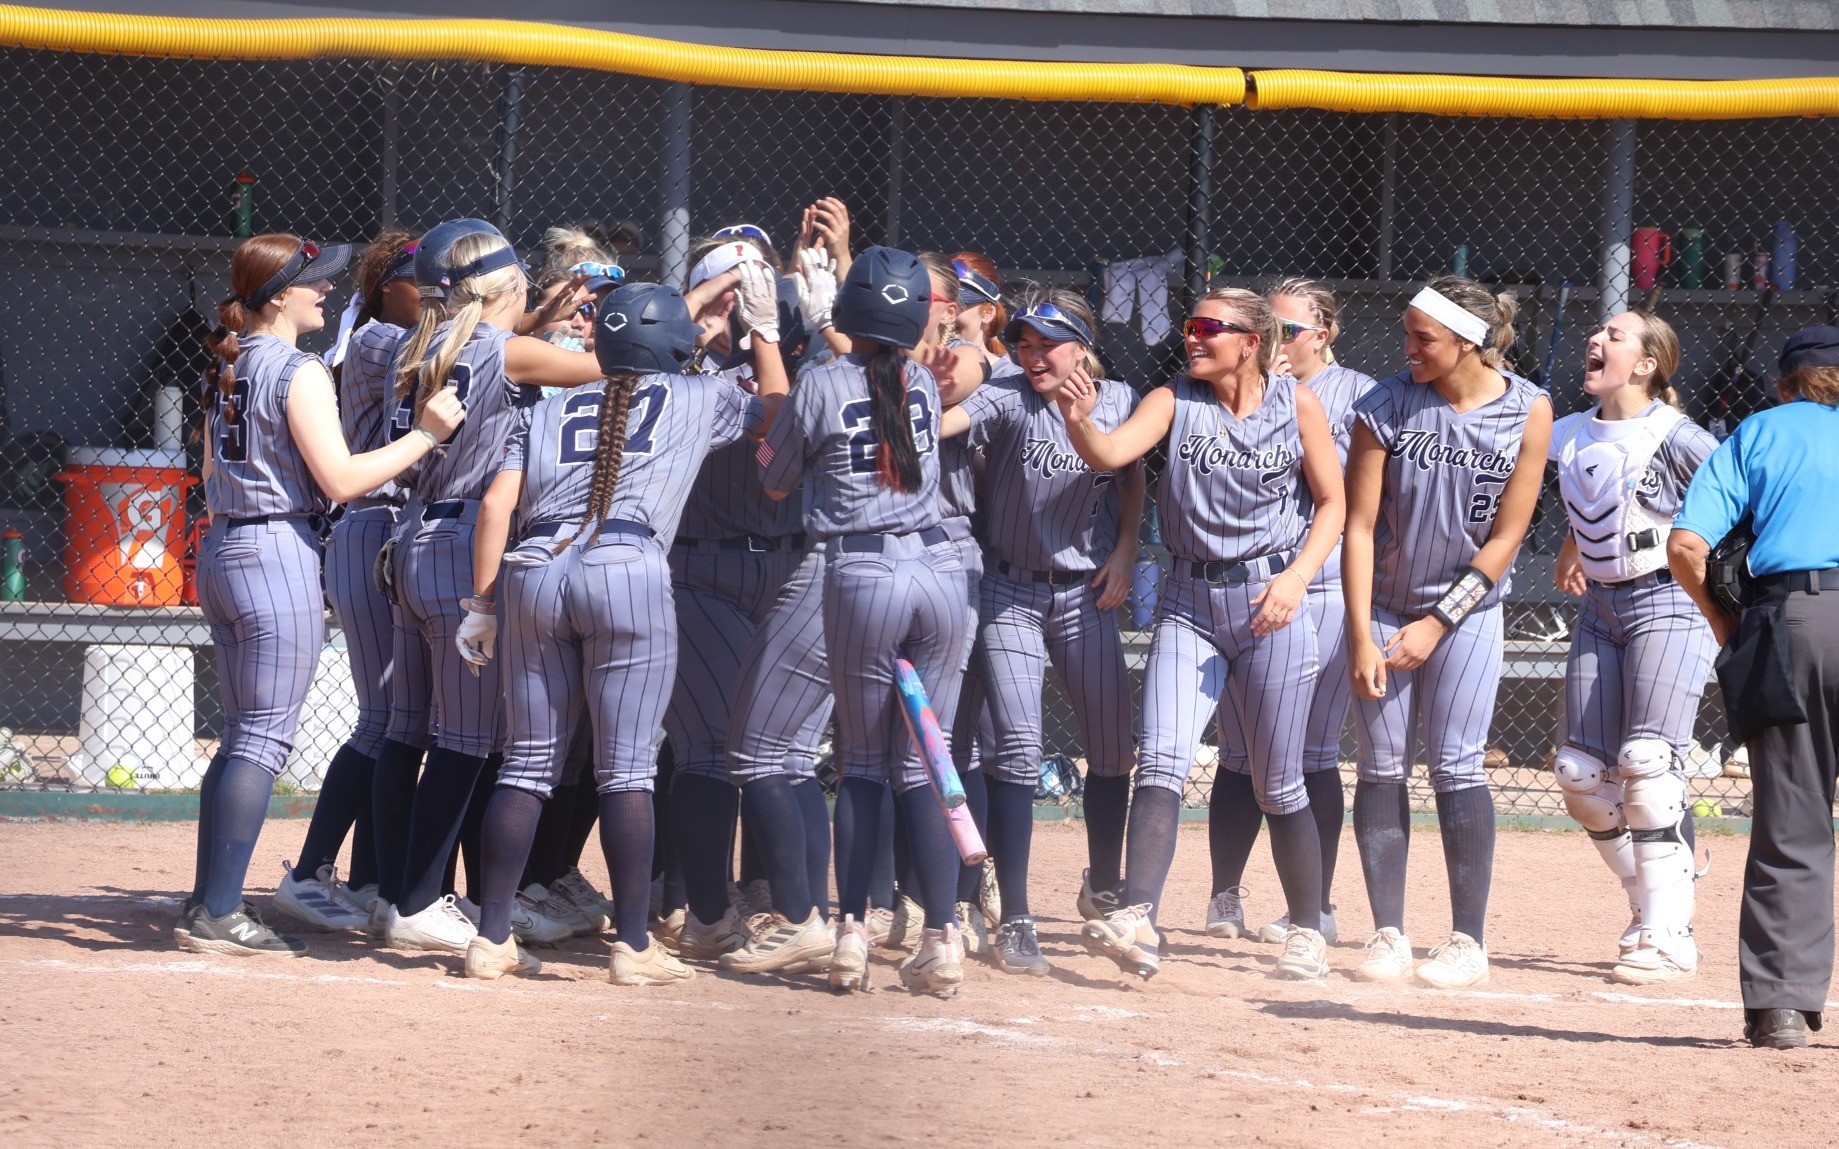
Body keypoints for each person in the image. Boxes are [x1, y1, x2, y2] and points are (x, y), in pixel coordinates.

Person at [456, 278, 788, 983]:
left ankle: (490, 938)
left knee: (526, 765)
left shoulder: (546, 407)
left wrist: (481, 603)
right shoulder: (699, 394)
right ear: (674, 344)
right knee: (627, 770)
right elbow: (778, 416)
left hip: (533, 568)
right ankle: (634, 946)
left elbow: (494, 506)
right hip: (628, 568)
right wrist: (764, 332)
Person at [176, 232, 463, 955]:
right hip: (275, 549)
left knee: (241, 735)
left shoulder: (231, 359)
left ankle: (209, 899)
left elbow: (209, 468)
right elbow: (340, 479)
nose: (328, 289)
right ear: (279, 298)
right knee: (262, 738)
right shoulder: (296, 368)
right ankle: (219, 911)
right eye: (314, 281)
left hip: (225, 544)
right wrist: (426, 435)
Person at [1049, 287, 1347, 981]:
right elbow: (1109, 453)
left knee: (1278, 782)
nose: (1193, 336)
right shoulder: (1173, 398)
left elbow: (1333, 502)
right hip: (1188, 600)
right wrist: (1078, 422)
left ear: (1251, 342)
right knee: (1160, 759)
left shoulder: (1297, 403)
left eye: (1209, 327)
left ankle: (1307, 927)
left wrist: (1297, 579)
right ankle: (1137, 915)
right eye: (1190, 324)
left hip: (1270, 602)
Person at [377, 219, 604, 957]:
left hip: (416, 539)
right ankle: (417, 902)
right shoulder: (505, 350)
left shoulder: (422, 344)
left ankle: (408, 891)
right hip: (463, 550)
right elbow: (609, 364)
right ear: (509, 285)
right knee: (468, 744)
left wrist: (541, 314)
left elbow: (495, 340)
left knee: (424, 732)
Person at [753, 246, 970, 997]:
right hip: (941, 571)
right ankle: (943, 936)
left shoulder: (820, 380)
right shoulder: (923, 380)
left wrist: (781, 433)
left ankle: (850, 932)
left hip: (862, 569)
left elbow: (774, 482)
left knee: (867, 764)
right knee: (926, 763)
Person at [1343, 276, 1551, 989]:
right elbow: (1358, 527)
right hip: (1383, 606)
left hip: (1466, 613)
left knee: (1457, 765)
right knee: (1380, 766)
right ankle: (1388, 933)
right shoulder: (1385, 403)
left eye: (1422, 337)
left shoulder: (1529, 408)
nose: (1407, 347)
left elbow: (1508, 537)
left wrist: (1437, 622)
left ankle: (1467, 941)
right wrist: (1362, 635)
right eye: (1407, 333)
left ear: (1467, 341)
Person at [937, 289, 1142, 976]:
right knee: (1019, 750)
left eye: (1047, 344)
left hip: (1086, 592)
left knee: (1112, 748)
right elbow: (950, 418)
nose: (1032, 355)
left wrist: (1126, 548)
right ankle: (1017, 914)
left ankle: (1103, 883)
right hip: (1011, 590)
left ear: (1082, 349)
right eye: (1024, 343)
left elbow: (1129, 476)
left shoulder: (1118, 400)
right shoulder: (1007, 395)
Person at [1669, 324, 1839, 1050]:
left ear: (1783, 385)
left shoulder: (1761, 431)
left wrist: (1723, 622)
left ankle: (1780, 1007)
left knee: (1793, 816)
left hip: (1791, 622)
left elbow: (1686, 545)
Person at [1548, 310, 1718, 985]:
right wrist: (1574, 544)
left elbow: (1734, 500)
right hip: (1600, 606)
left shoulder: (1676, 435)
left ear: (1646, 364)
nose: (1597, 340)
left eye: (1614, 337)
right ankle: (1649, 900)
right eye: (1598, 333)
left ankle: (1670, 934)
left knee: (1647, 763)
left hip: (1668, 598)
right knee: (1579, 775)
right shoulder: (1566, 430)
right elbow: (1594, 491)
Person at [1208, 278, 1376, 945]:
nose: (1279, 341)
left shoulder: (1358, 394)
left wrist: (1283, 403)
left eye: (1292, 330)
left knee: (1309, 751)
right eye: (1269, 329)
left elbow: (1357, 493)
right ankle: (1224, 895)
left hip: (1324, 586)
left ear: (1323, 335)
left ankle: (1316, 906)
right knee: (1238, 749)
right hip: (1250, 587)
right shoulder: (1239, 389)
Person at [272, 230, 420, 933]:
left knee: (399, 720)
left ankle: (367, 879)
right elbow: (462, 353)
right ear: (387, 287)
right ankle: (310, 871)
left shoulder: (406, 334)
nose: (440, 295)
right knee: (383, 718)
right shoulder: (375, 338)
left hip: (398, 530)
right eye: (423, 280)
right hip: (370, 526)